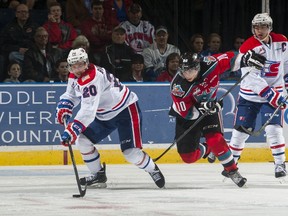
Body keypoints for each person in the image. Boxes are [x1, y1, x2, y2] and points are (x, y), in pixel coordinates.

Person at [56, 47, 165, 188]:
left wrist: (73, 129)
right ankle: (98, 175)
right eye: (74, 65)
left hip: (125, 110)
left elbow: (88, 110)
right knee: (82, 141)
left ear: (87, 63)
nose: (78, 69)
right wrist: (65, 105)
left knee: (130, 153)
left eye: (81, 64)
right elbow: (72, 94)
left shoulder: (91, 79)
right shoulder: (75, 75)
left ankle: (152, 169)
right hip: (104, 114)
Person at [168, 50, 266, 187]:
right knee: (188, 157)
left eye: (190, 71)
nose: (187, 75)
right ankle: (208, 149)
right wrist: (203, 107)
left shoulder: (211, 64)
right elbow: (187, 113)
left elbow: (232, 59)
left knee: (216, 140)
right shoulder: (178, 87)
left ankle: (232, 170)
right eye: (184, 71)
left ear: (197, 67)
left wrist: (245, 59)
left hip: (210, 108)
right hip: (187, 114)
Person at [226, 13, 288, 179]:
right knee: (240, 133)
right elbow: (251, 78)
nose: (259, 30)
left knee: (273, 129)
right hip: (250, 95)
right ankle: (231, 168)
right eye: (256, 27)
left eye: (263, 27)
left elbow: (286, 64)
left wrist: (286, 86)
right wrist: (272, 95)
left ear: (270, 28)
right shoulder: (248, 46)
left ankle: (280, 164)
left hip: (275, 91)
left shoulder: (282, 41)